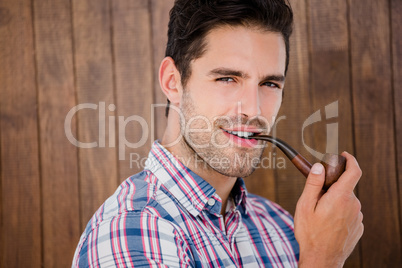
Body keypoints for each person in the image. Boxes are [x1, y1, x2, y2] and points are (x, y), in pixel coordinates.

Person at [72, 0, 363, 267]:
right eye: (227, 78)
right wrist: (322, 258)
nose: (253, 109)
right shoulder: (130, 232)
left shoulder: (283, 227)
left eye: (270, 84)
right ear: (173, 82)